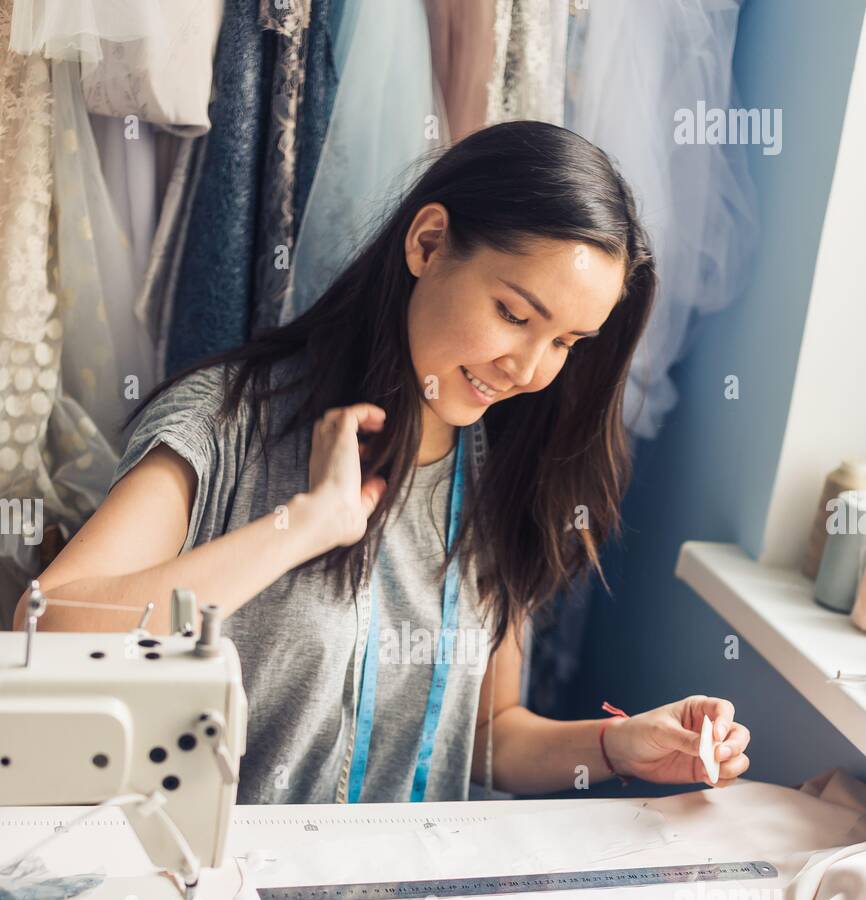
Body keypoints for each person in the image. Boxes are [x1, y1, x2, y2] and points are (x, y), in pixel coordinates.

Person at [14, 120, 750, 803]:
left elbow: (487, 735)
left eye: (565, 343)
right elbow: (51, 627)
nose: (528, 367)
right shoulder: (223, 422)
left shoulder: (505, 475)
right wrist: (301, 527)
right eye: (515, 315)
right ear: (428, 244)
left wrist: (617, 746)